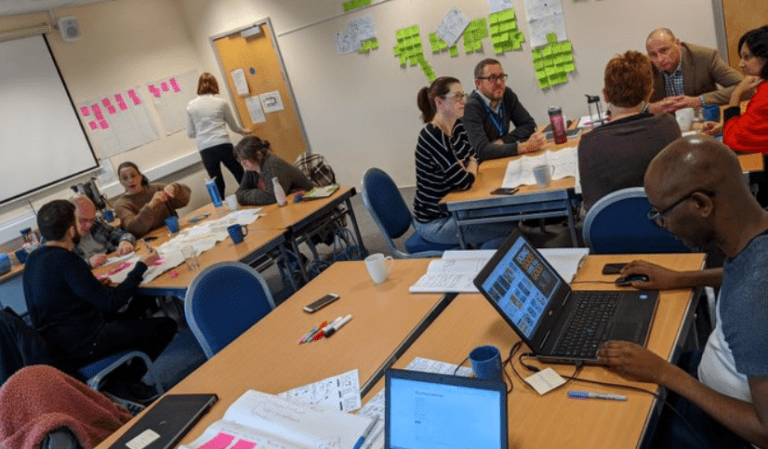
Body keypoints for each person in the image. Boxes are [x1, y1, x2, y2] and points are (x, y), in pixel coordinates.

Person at [597, 135, 768, 449]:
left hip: (731, 430)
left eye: (662, 214)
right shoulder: (756, 233)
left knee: (617, 426)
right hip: (721, 373)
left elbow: (765, 430)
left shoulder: (752, 303)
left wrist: (664, 372)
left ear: (701, 204)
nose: (663, 225)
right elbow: (742, 272)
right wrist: (680, 278)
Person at [23, 200, 177, 403]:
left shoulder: (33, 260)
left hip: (59, 345)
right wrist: (140, 266)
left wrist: (92, 285)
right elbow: (111, 302)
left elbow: (61, 293)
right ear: (71, 230)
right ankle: (122, 383)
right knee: (166, 326)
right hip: (86, 343)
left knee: (137, 306)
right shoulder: (67, 260)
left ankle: (120, 383)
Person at [413, 76, 512, 247]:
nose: (462, 101)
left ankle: (484, 255)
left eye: (463, 95)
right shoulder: (432, 136)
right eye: (457, 96)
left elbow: (474, 157)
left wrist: (468, 166)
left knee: (508, 216)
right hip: (437, 221)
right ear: (439, 102)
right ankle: (480, 266)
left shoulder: (457, 126)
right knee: (507, 229)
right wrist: (468, 167)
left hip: (458, 205)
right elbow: (465, 181)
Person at [578, 50, 682, 211]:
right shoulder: (668, 125)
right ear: (649, 94)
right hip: (664, 228)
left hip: (611, 233)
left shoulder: (588, 143)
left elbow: (589, 205)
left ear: (606, 96)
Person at [645, 28, 745, 114]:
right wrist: (650, 108)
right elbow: (631, 105)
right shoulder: (645, 67)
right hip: (666, 128)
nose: (659, 59)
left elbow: (744, 86)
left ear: (677, 44)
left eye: (664, 50)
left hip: (705, 123)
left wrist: (699, 101)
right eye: (653, 54)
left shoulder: (705, 57)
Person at [463, 59, 546, 161]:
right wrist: (523, 147)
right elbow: (483, 151)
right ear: (478, 83)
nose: (499, 82)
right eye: (492, 78)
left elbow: (529, 125)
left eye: (501, 77)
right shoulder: (471, 107)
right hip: (484, 166)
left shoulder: (506, 94)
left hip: (504, 157)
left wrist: (503, 141)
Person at [186, 72, 250, 198]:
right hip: (223, 143)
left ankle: (220, 209)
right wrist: (243, 131)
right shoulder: (221, 102)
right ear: (215, 85)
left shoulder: (191, 105)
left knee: (216, 182)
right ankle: (250, 196)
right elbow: (233, 126)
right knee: (239, 173)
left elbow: (190, 133)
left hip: (205, 148)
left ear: (199, 86)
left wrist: (202, 133)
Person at [113, 162, 191, 238]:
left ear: (140, 176)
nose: (130, 180)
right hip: (148, 242)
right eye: (125, 178)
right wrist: (151, 205)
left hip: (172, 235)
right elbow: (135, 229)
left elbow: (184, 201)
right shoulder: (121, 204)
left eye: (133, 175)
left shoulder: (156, 188)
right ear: (120, 181)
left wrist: (175, 188)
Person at [234, 136, 314, 206]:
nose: (243, 163)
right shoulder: (251, 169)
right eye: (240, 159)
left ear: (258, 155)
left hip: (308, 202)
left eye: (245, 159)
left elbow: (272, 197)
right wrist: (259, 194)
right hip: (289, 205)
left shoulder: (272, 164)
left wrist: (249, 194)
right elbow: (238, 194)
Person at [71, 195, 135, 268]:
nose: (89, 225)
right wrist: (88, 263)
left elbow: (124, 234)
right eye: (83, 220)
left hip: (117, 265)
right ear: (71, 218)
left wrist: (125, 241)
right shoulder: (65, 239)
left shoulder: (96, 224)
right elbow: (68, 270)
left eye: (91, 219)